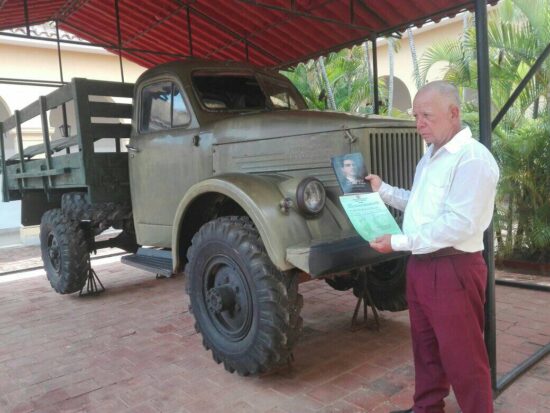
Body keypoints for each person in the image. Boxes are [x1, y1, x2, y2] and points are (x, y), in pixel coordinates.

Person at [366, 81, 499, 413]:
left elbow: (458, 223)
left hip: (453, 267)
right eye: (415, 116)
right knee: (425, 350)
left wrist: (399, 242)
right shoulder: (431, 155)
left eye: (426, 115)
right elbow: (421, 206)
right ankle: (426, 408)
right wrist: (384, 191)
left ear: (453, 114)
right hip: (422, 266)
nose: (419, 124)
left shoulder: (473, 159)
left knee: (464, 358)